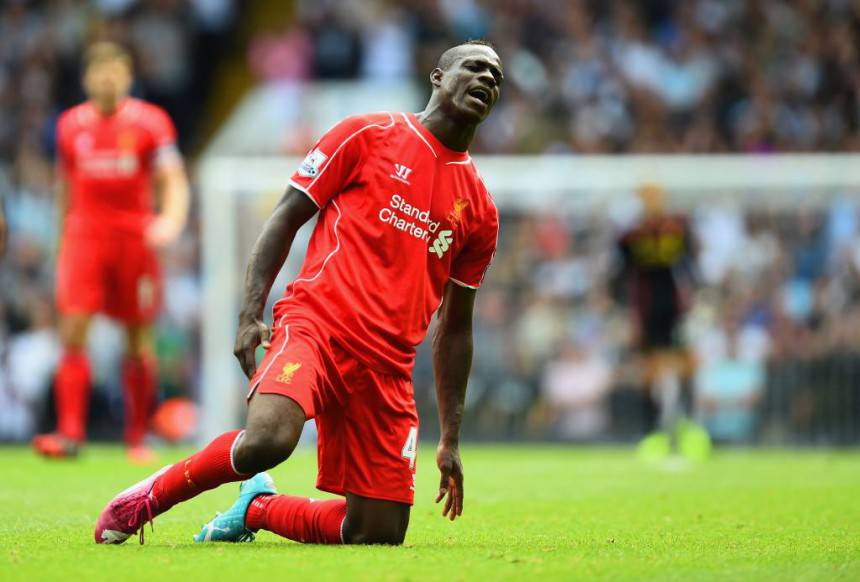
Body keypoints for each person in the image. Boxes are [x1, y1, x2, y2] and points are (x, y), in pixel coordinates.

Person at [94, 40, 503, 546]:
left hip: (387, 368)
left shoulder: (480, 211)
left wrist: (452, 439)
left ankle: (257, 510)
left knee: (377, 533)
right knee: (269, 439)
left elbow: (456, 327)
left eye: (496, 77)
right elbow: (286, 216)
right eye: (474, 67)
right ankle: (153, 494)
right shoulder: (367, 134)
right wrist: (249, 313)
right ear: (439, 75)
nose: (487, 79)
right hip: (318, 326)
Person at [32, 42, 190, 463]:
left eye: (114, 72)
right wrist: (61, 237)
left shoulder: (151, 123)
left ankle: (137, 438)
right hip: (84, 237)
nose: (107, 79)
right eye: (99, 72)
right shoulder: (69, 126)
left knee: (138, 338)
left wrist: (170, 220)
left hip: (133, 241)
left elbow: (173, 178)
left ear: (127, 76)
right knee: (74, 331)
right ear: (86, 79)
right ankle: (70, 434)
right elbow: (64, 185)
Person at [616, 184, 710, 460]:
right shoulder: (631, 237)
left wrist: (701, 298)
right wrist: (625, 312)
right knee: (649, 372)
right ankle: (652, 431)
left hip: (676, 309)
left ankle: (688, 425)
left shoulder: (678, 230)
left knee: (687, 366)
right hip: (646, 311)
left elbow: (691, 267)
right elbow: (621, 274)